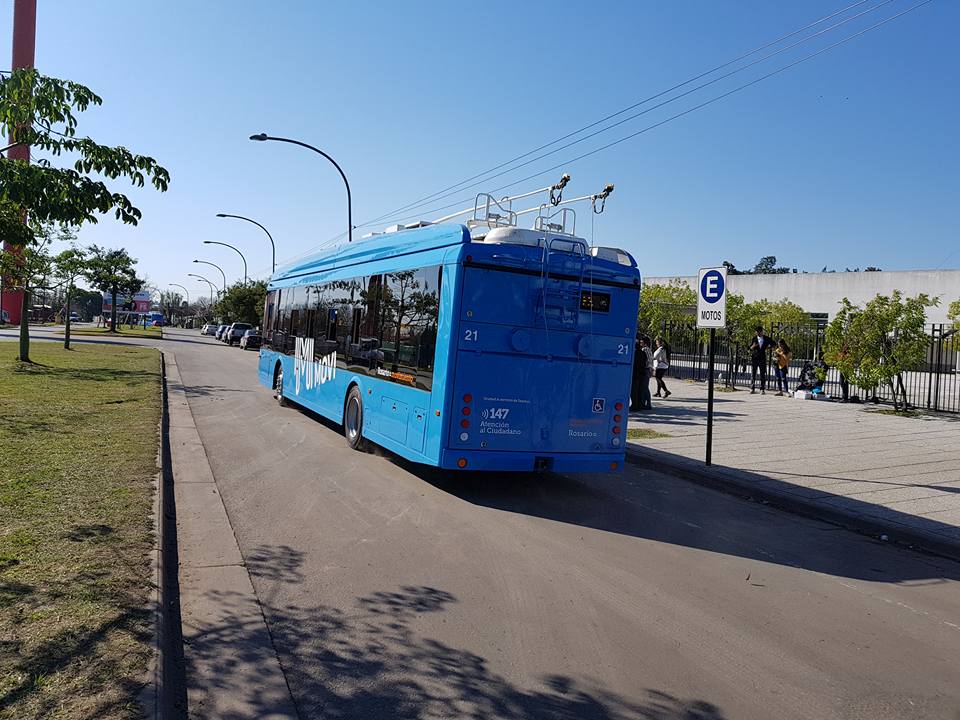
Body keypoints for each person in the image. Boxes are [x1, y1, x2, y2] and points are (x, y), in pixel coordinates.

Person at [748, 326, 772, 394]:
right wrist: (752, 347)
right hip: (755, 358)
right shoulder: (754, 338)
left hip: (762, 359)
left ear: (762, 331)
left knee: (762, 374)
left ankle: (762, 389)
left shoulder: (766, 338)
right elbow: (749, 348)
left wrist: (768, 348)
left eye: (759, 331)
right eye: (756, 331)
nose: (758, 333)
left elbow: (773, 344)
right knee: (753, 374)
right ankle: (752, 388)